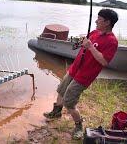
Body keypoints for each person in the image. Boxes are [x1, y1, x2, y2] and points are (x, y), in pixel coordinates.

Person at [43, 8, 119, 139]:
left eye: (99, 19)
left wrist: (90, 47)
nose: (96, 21)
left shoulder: (112, 41)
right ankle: (56, 112)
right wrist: (82, 42)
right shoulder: (94, 32)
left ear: (107, 22)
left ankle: (79, 126)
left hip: (84, 76)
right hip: (74, 69)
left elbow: (104, 61)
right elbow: (85, 46)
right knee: (61, 91)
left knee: (69, 101)